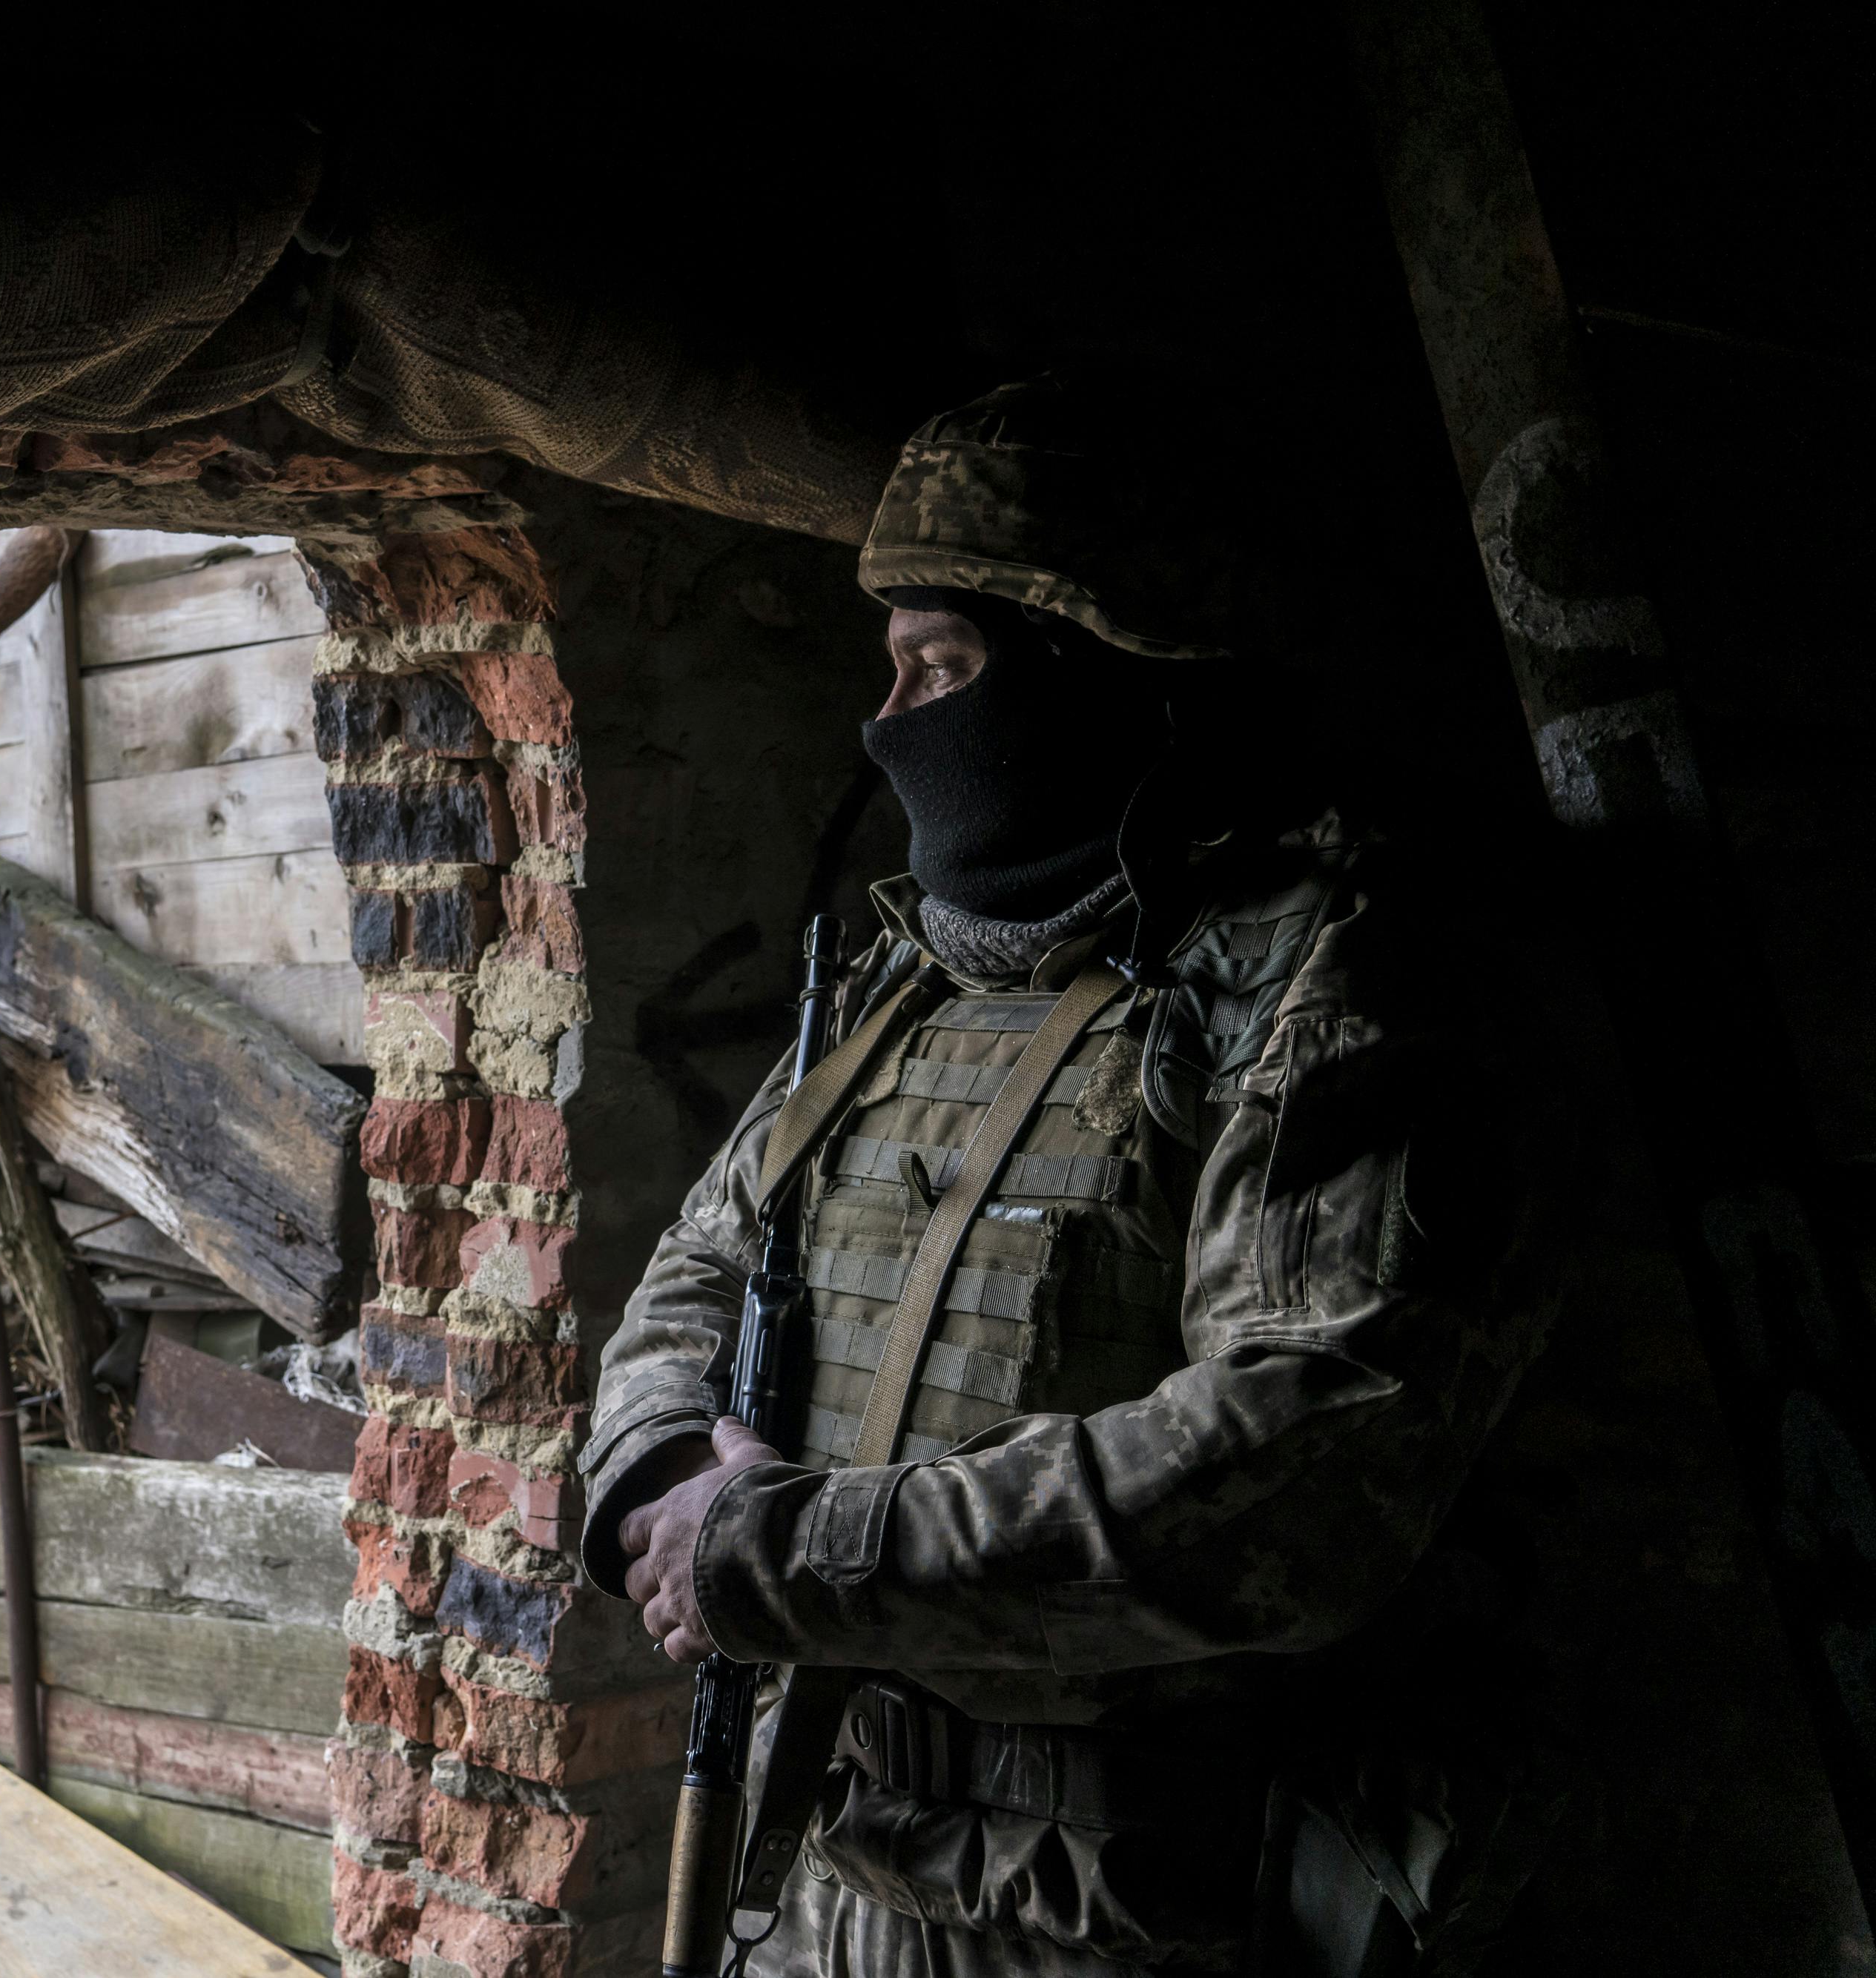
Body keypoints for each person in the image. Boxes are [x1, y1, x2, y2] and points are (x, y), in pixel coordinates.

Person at [581, 373, 1559, 1976]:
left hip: (1152, 1910)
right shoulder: (907, 982)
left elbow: (1296, 1469)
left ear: (1103, 677)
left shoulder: (1317, 987)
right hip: (840, 1874)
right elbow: (695, 1270)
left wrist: (786, 1555)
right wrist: (666, 1479)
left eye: (939, 667)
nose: (890, 725)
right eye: (885, 667)